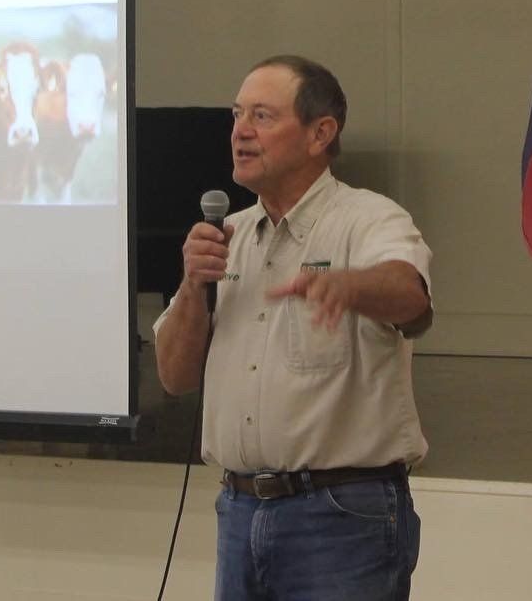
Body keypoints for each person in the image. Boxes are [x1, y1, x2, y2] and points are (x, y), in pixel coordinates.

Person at [154, 54, 434, 601]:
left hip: (340, 516)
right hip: (238, 510)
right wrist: (192, 285)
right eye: (236, 116)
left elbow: (412, 298)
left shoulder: (369, 219)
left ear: (319, 133)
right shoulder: (226, 233)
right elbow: (174, 375)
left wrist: (351, 286)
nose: (240, 132)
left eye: (262, 116)